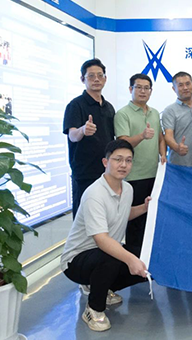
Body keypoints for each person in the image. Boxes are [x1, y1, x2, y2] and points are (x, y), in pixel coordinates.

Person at [61, 139, 149, 332]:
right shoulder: (94, 194)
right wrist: (130, 260)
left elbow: (123, 214)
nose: (123, 165)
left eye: (128, 160)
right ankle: (94, 309)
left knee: (145, 258)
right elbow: (101, 240)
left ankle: (101, 286)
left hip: (101, 254)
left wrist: (144, 207)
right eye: (118, 159)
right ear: (105, 162)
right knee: (112, 257)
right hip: (76, 260)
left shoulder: (127, 189)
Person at [114, 73, 166, 250]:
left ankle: (148, 256)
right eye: (139, 87)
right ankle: (133, 259)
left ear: (151, 91)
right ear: (131, 89)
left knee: (151, 219)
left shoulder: (155, 113)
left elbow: (160, 138)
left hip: (154, 175)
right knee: (135, 223)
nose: (143, 91)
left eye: (146, 88)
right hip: (133, 176)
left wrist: (163, 155)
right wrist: (142, 136)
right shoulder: (123, 114)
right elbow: (122, 143)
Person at [63, 58, 115, 218]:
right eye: (91, 76)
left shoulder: (109, 107)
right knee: (84, 218)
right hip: (85, 173)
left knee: (103, 216)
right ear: (82, 79)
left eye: (100, 75)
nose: (96, 79)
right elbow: (72, 135)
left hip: (106, 171)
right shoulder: (75, 105)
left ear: (105, 78)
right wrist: (83, 130)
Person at [163, 71, 192, 167]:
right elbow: (168, 136)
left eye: (188, 84)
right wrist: (177, 147)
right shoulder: (170, 110)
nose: (185, 88)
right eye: (180, 85)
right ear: (174, 89)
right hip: (178, 165)